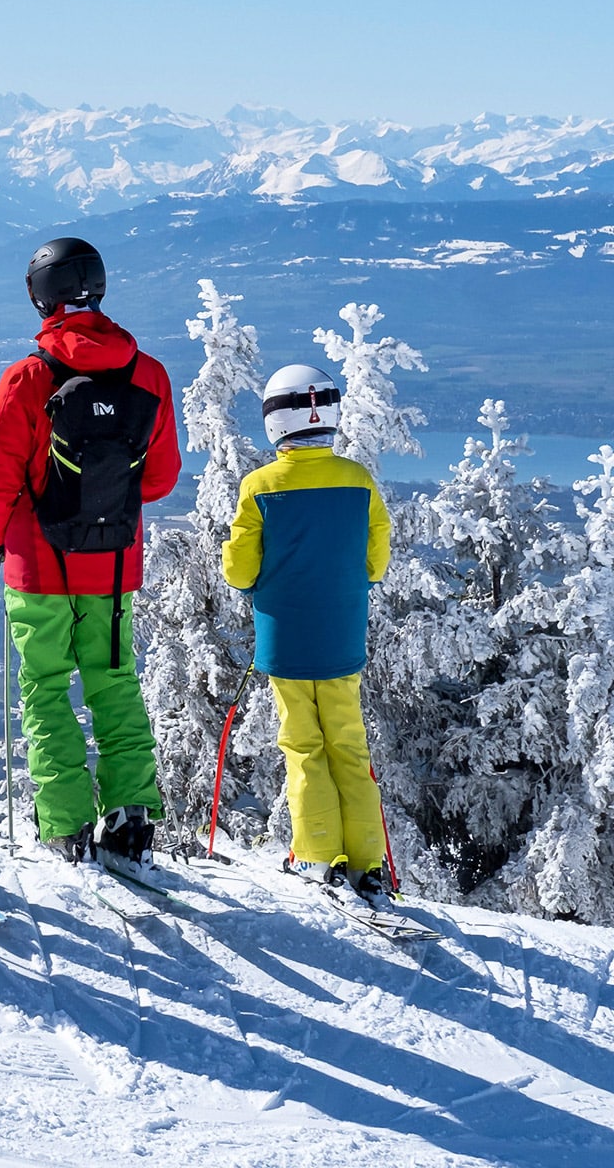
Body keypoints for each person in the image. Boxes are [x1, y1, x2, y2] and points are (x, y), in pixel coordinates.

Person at [0, 237, 182, 867]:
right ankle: (130, 814)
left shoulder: (29, 377)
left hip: (38, 567)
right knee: (114, 681)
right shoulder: (147, 375)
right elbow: (162, 477)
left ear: (43, 297)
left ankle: (64, 823)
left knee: (43, 688)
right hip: (114, 563)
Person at [222, 363, 396, 899]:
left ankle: (318, 855)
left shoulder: (261, 486)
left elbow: (239, 571)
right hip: (343, 632)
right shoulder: (357, 480)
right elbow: (376, 562)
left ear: (276, 423)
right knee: (348, 743)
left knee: (303, 744)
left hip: (286, 636)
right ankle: (368, 861)